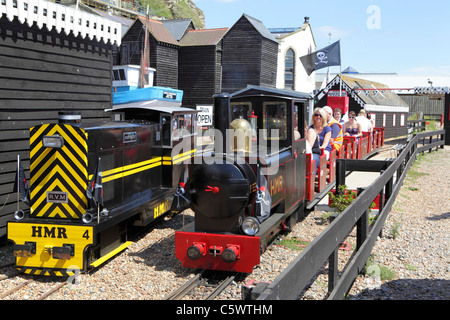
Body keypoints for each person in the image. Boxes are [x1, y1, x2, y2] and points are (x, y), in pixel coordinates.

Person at [307, 108, 331, 172]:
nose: (318, 117)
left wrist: (320, 148)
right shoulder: (310, 128)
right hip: (312, 149)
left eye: (320, 115)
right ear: (313, 117)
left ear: (323, 117)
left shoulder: (327, 129)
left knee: (315, 159)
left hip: (324, 150)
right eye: (316, 115)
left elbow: (325, 144)